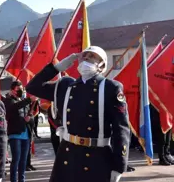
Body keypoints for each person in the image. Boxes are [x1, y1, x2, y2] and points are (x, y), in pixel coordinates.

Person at [26, 46, 130, 182]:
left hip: (96, 156)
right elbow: (32, 87)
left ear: (102, 65)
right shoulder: (65, 85)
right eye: (84, 56)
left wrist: (119, 166)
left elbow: (121, 129)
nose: (86, 58)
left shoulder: (111, 88)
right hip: (68, 154)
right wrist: (56, 68)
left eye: (92, 56)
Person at [4, 81, 36, 182]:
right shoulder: (8, 101)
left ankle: (21, 180)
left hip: (26, 134)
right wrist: (29, 100)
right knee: (16, 160)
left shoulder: (23, 101)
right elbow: (14, 107)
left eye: (22, 89)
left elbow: (30, 116)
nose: (20, 91)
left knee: (23, 161)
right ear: (12, 90)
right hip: (15, 134)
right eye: (18, 89)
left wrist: (29, 118)